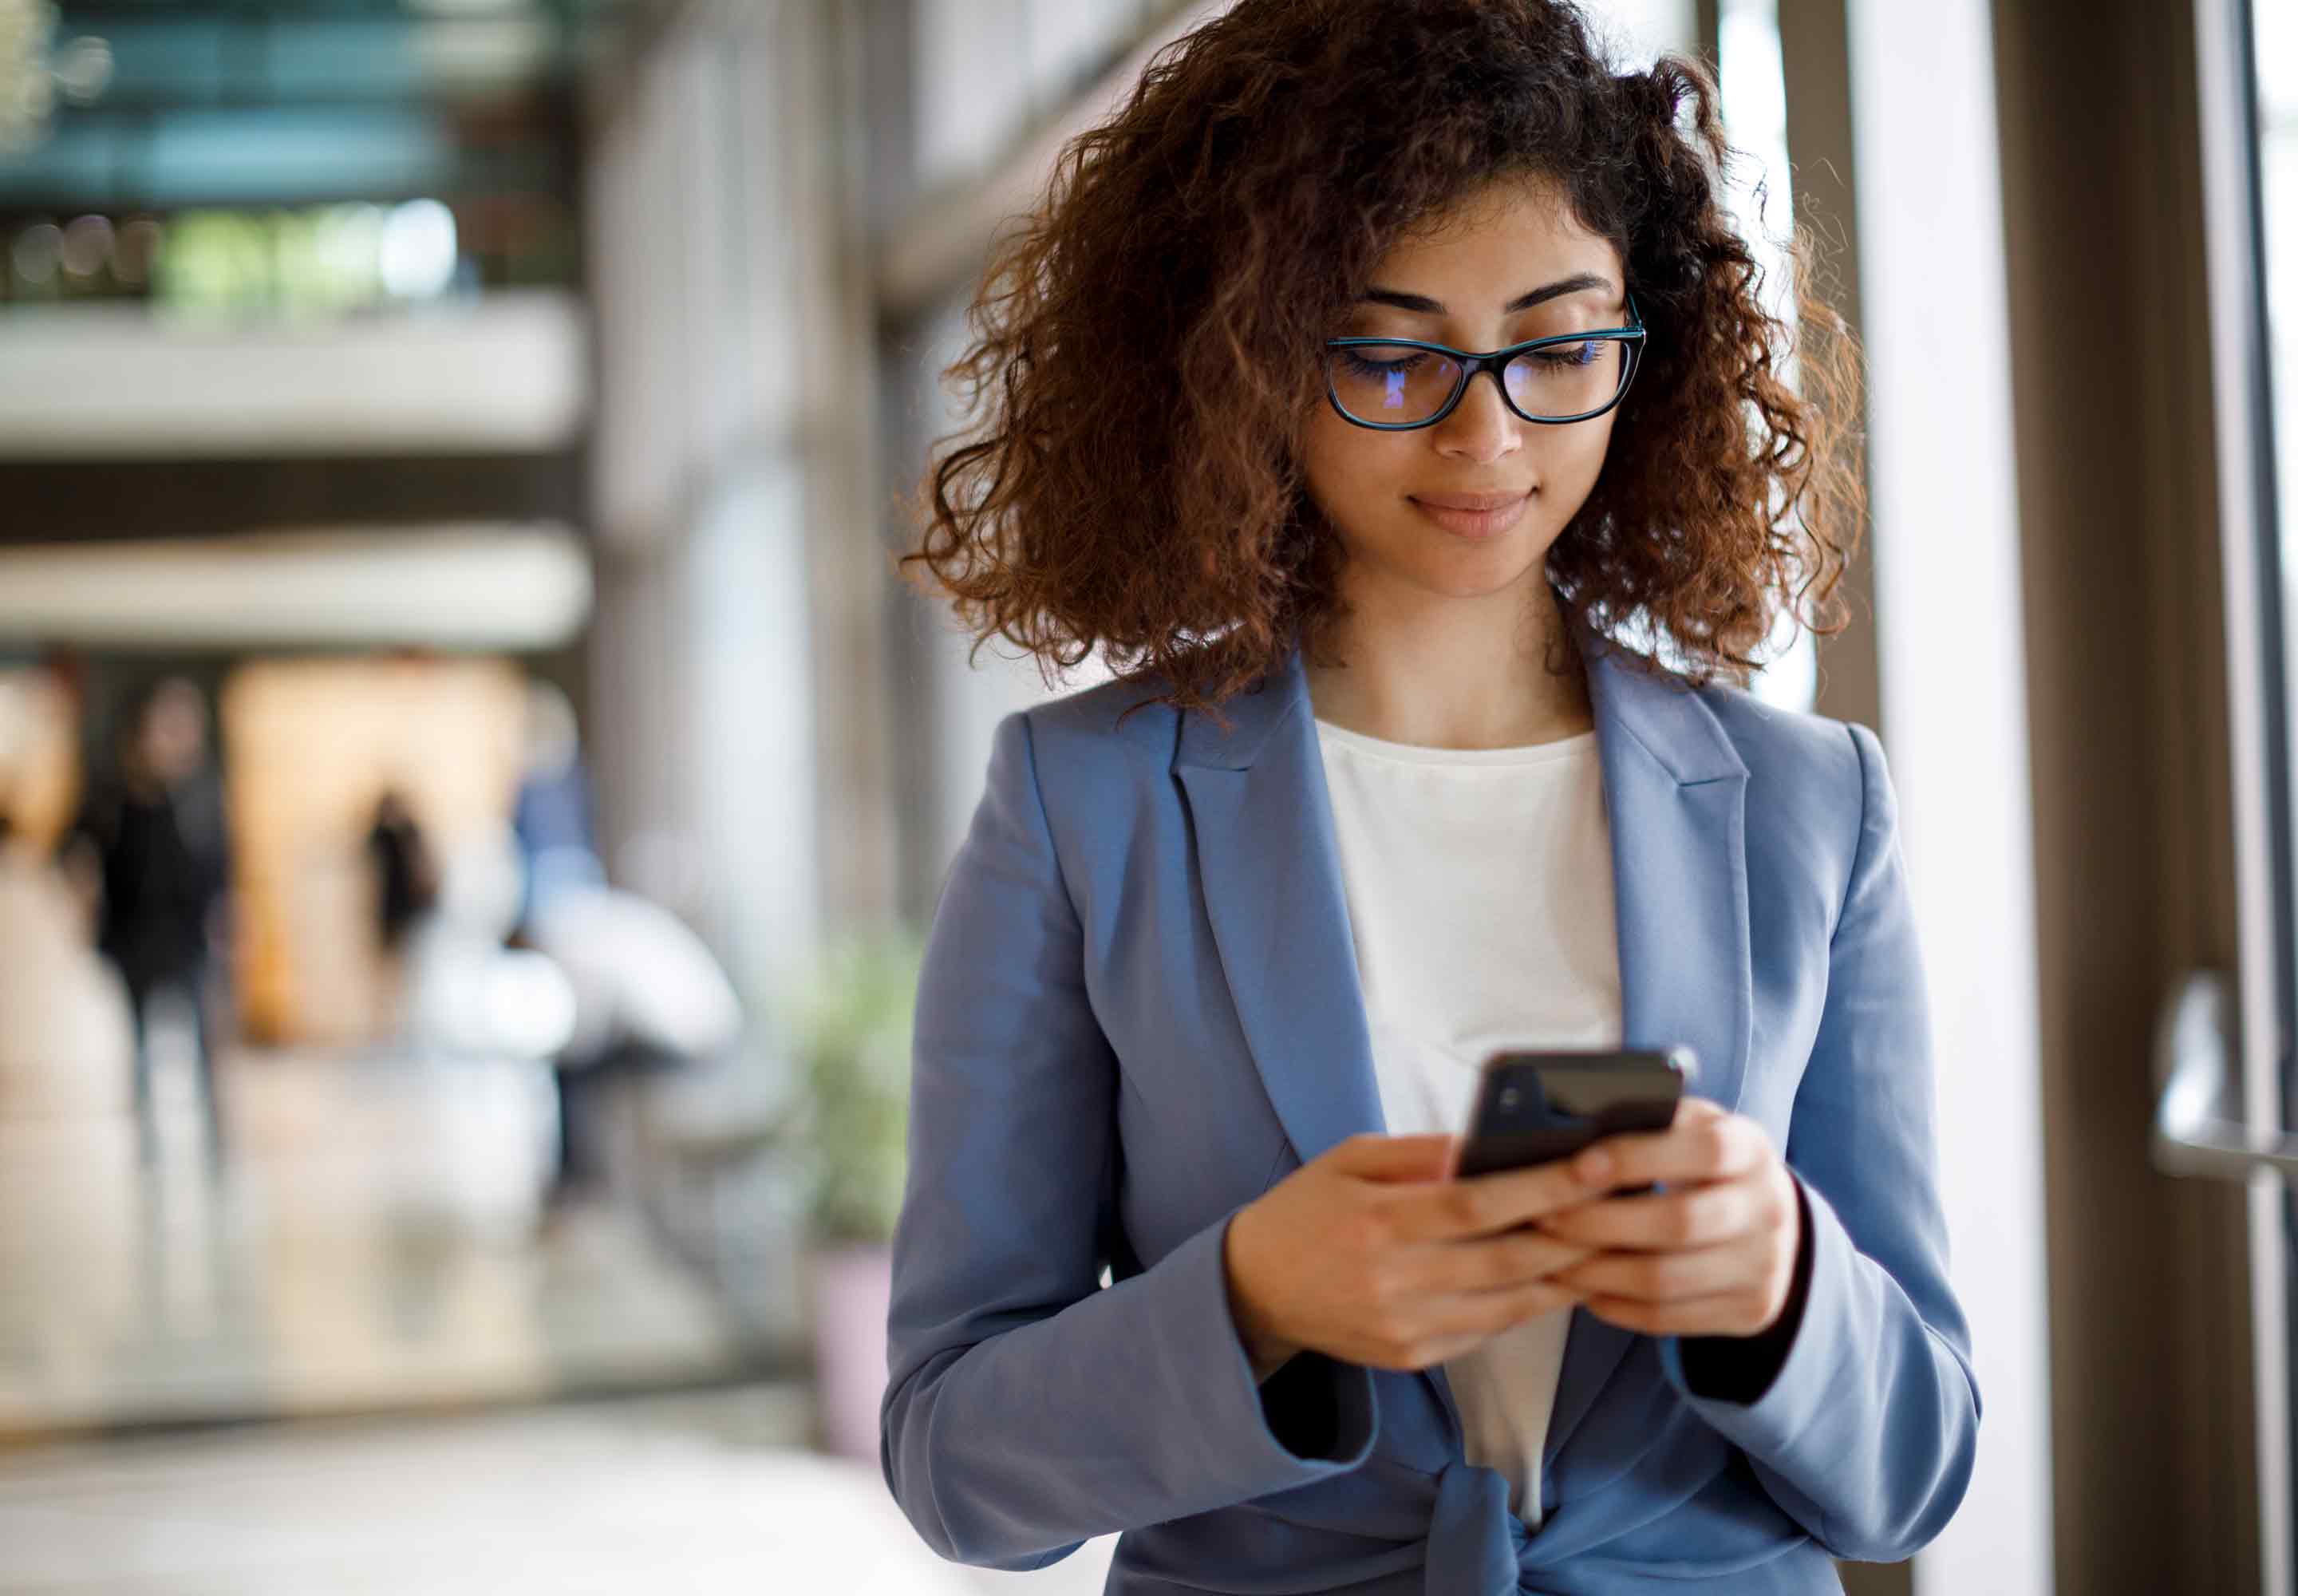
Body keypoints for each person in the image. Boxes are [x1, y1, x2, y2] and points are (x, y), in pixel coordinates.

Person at [880, 4, 1978, 1593]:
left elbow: (1918, 1469)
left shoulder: (1810, 809)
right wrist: (1251, 1298)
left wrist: (1788, 1284)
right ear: (1248, 359)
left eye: (1559, 345)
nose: (1488, 430)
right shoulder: (1088, 802)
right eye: (1392, 353)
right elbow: (954, 1459)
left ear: (1643, 343)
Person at [60, 677, 231, 1165]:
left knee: (204, 1045)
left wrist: (226, 920)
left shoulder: (200, 796)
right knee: (140, 1046)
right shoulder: (115, 797)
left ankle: (215, 1144)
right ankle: (149, 1143)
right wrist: (86, 898)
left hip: (189, 939)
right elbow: (70, 850)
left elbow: (220, 866)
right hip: (133, 938)